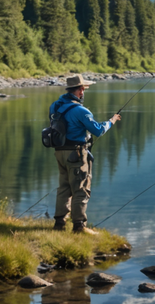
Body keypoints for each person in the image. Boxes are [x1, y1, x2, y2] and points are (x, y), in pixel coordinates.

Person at [51, 74, 121, 234]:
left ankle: (59, 225)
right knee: (81, 189)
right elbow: (98, 130)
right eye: (84, 90)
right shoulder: (81, 111)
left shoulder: (54, 106)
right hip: (76, 154)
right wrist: (112, 121)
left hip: (59, 152)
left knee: (63, 187)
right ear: (81, 90)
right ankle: (79, 226)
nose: (84, 93)